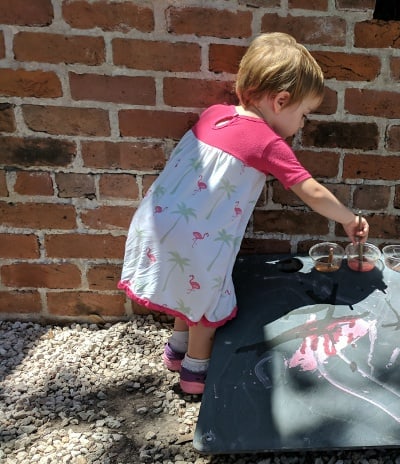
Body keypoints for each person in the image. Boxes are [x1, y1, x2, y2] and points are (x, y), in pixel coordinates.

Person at [118, 32, 369, 395]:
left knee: (187, 286)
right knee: (207, 302)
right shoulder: (267, 142)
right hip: (198, 240)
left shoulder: (214, 115)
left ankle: (175, 351)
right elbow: (310, 190)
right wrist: (348, 217)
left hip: (155, 221)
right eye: (304, 114)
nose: (303, 124)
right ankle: (195, 374)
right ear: (280, 101)